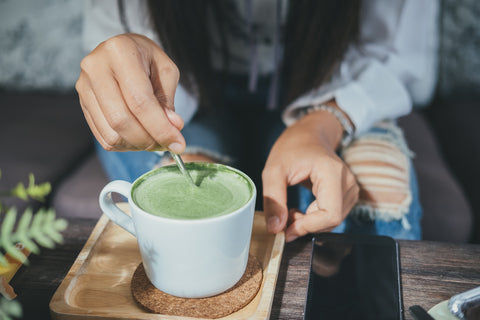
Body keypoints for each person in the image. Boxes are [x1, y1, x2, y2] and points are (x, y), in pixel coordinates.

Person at [76, 0, 439, 242]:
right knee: (184, 220)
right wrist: (136, 65)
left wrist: (322, 123)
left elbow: (397, 55)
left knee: (372, 208)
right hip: (193, 92)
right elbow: (129, 60)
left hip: (331, 83)